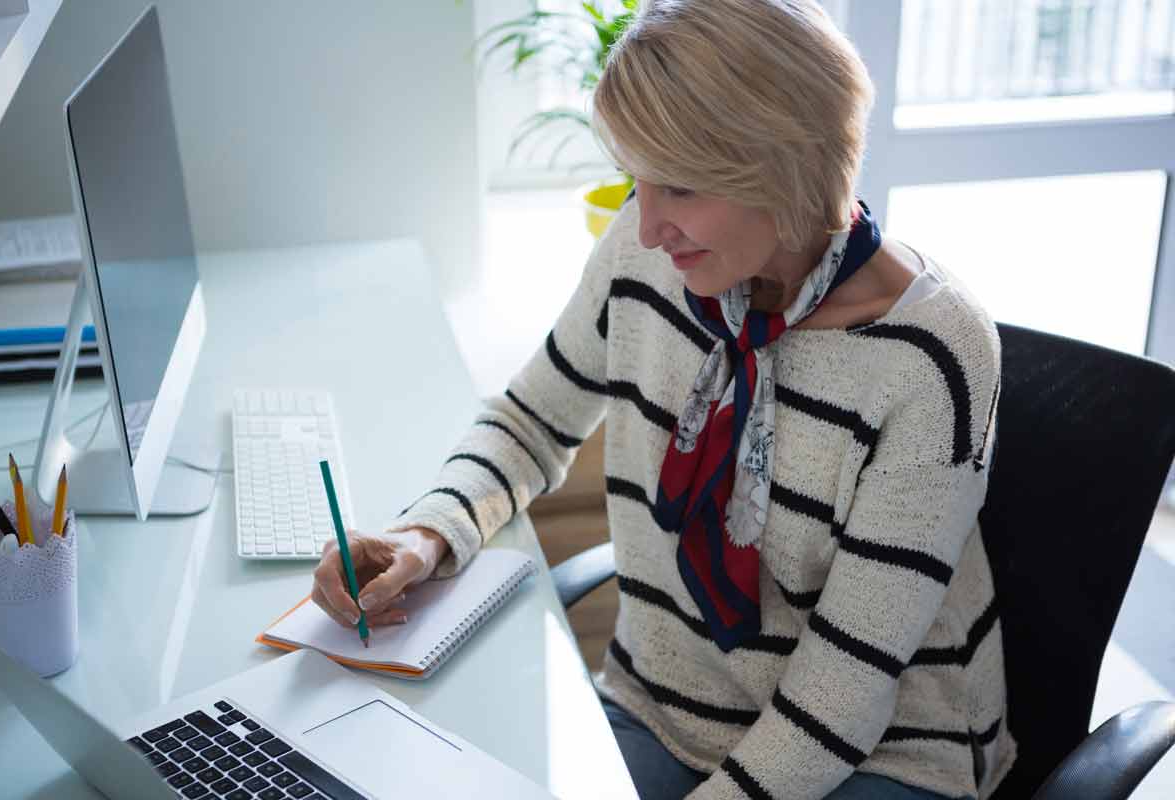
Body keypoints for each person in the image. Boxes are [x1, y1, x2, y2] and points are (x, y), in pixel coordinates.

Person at [311, 1, 1017, 797]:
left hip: (879, 749)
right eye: (637, 181)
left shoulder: (931, 356)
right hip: (666, 710)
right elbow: (529, 424)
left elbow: (843, 697)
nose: (647, 228)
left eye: (679, 188)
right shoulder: (645, 259)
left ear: (786, 169)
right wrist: (429, 533)